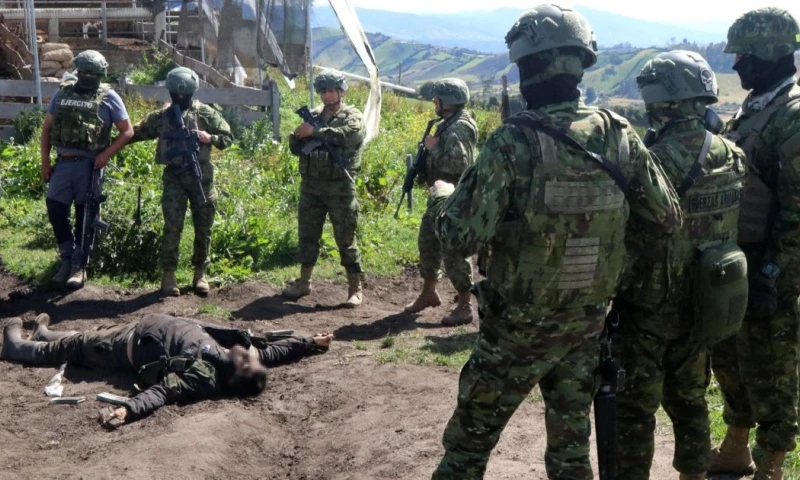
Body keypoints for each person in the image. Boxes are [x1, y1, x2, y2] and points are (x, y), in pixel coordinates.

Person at [429, 4, 682, 479]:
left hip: (516, 328)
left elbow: (461, 237)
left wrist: (444, 198)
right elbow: (666, 219)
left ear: (528, 68)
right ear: (580, 64)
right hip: (586, 321)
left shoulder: (512, 140)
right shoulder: (619, 134)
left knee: (467, 449)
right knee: (570, 454)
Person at [613, 51, 747, 480]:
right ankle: (694, 475)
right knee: (690, 399)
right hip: (707, 298)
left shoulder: (654, 161)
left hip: (650, 305)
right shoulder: (733, 155)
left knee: (636, 408)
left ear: (659, 101)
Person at [709, 8, 800, 480]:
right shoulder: (757, 106)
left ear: (769, 51)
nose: (736, 64)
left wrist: (773, 273)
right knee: (729, 358)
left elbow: (797, 209)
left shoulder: (793, 114)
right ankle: (736, 445)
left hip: (773, 266)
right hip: (737, 261)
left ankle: (772, 464)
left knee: (773, 370)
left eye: (743, 55)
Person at [0, 313, 333, 428]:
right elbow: (275, 351)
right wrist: (310, 342)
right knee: (85, 339)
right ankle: (44, 333)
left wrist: (128, 409)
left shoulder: (203, 377)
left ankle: (14, 345)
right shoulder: (232, 356)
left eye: (247, 361)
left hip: (125, 346)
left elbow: (163, 391)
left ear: (235, 376)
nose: (249, 354)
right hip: (138, 330)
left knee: (75, 347)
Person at [128, 66, 233, 297]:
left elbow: (228, 138)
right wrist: (108, 144)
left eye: (184, 94)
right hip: (174, 177)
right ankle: (169, 274)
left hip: (201, 178)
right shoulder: (161, 117)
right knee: (172, 226)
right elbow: (134, 133)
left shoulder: (205, 113)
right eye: (177, 93)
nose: (180, 97)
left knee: (203, 226)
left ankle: (200, 273)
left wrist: (210, 138)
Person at [41, 49, 134, 289]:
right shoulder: (63, 93)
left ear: (101, 74)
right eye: (85, 72)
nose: (89, 77)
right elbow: (47, 128)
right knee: (55, 209)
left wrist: (105, 154)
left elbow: (127, 131)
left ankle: (79, 265)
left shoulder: (109, 97)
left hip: (89, 165)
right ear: (78, 71)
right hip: (63, 163)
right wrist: (45, 162)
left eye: (94, 74)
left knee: (85, 216)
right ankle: (66, 257)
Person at [283, 70, 367, 308]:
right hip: (311, 186)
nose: (327, 96)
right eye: (323, 92)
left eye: (331, 91)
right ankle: (304, 282)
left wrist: (316, 132)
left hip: (340, 187)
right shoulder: (313, 115)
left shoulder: (352, 116)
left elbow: (349, 136)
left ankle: (355, 287)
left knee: (346, 238)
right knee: (307, 235)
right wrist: (298, 136)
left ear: (341, 91)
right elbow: (297, 149)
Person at [404, 78, 478, 326]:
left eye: (437, 99)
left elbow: (461, 165)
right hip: (440, 197)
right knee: (428, 242)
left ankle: (465, 306)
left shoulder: (459, 127)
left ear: (448, 101)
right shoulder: (448, 123)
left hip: (454, 199)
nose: (434, 102)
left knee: (454, 251)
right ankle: (428, 293)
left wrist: (434, 149)